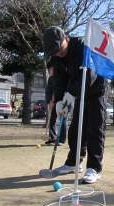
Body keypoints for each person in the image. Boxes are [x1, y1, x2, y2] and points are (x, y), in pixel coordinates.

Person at [43, 26, 109, 184]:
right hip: (79, 92)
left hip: (97, 89)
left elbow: (90, 74)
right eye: (53, 52)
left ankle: (94, 168)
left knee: (95, 128)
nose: (58, 53)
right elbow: (59, 81)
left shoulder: (83, 46)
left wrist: (71, 92)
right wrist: (60, 100)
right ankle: (73, 163)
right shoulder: (56, 58)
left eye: (59, 49)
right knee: (76, 128)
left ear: (65, 39)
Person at [44, 61, 66, 146]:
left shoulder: (62, 77)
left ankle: (62, 140)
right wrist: (50, 101)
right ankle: (52, 137)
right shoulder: (50, 79)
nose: (52, 71)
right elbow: (48, 91)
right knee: (51, 120)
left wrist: (57, 99)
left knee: (62, 120)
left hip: (62, 102)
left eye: (53, 69)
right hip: (53, 102)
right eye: (50, 69)